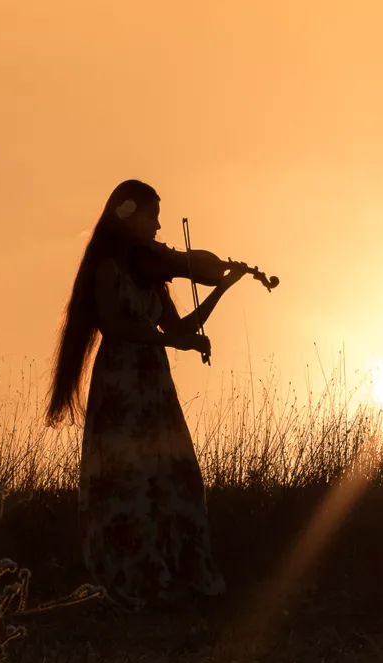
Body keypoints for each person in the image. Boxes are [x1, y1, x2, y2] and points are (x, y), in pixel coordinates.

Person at [46, 179, 252, 611]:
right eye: (152, 215)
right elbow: (118, 329)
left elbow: (178, 329)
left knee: (176, 476)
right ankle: (134, 575)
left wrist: (221, 288)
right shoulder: (107, 269)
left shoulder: (152, 273)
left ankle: (175, 571)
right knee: (129, 483)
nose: (159, 226)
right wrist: (175, 345)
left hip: (154, 384)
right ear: (128, 214)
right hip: (122, 381)